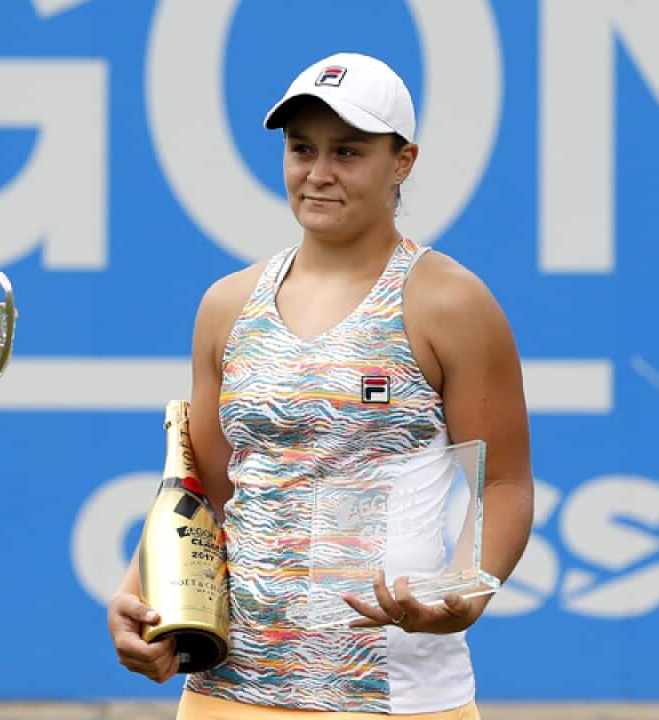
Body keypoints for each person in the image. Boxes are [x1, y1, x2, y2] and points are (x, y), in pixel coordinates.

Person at [108, 52, 533, 718]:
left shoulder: (451, 303)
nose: (319, 174)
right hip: (228, 689)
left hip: (398, 694)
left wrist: (466, 588)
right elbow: (203, 494)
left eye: (348, 152)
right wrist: (139, 592)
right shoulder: (227, 305)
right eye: (302, 149)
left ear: (403, 161)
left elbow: (503, 483)